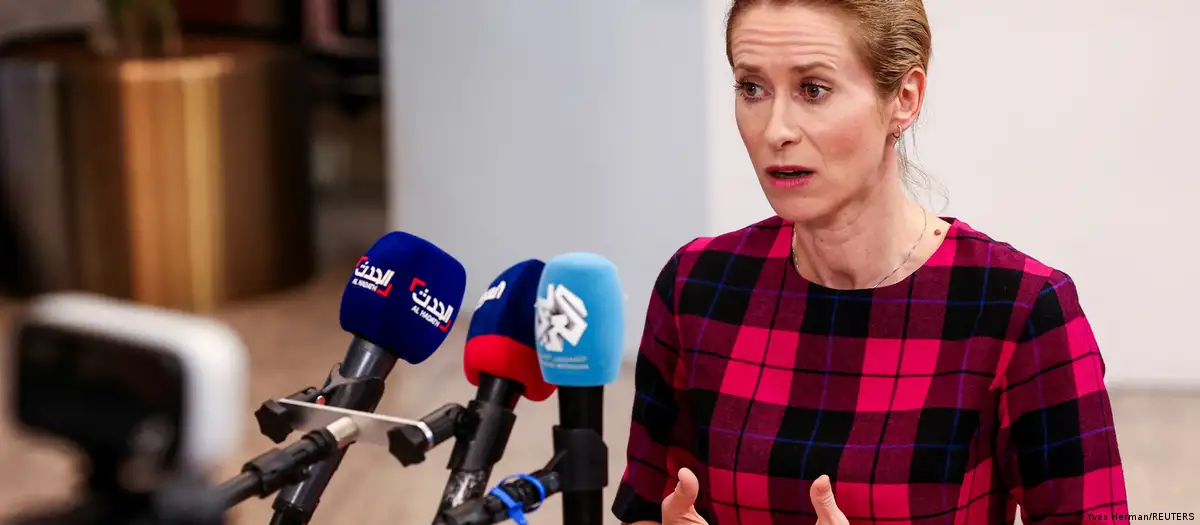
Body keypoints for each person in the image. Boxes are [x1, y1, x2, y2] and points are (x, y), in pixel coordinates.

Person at [612, 1, 1128, 524]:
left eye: (813, 89)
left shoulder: (1019, 308)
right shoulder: (698, 285)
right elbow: (646, 505)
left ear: (904, 98)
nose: (775, 130)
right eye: (752, 88)